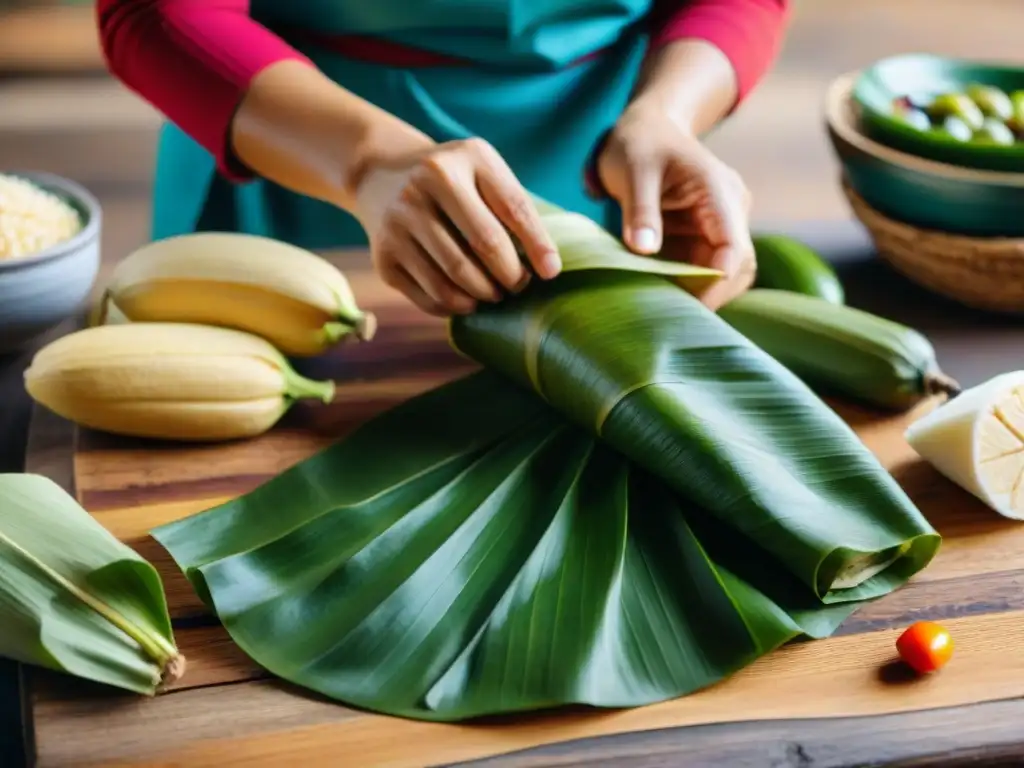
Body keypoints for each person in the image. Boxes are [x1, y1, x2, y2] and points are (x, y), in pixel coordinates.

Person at [96, 0, 789, 316]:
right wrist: (367, 162)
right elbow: (156, 11)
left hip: (603, 154)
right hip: (287, 154)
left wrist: (669, 111)